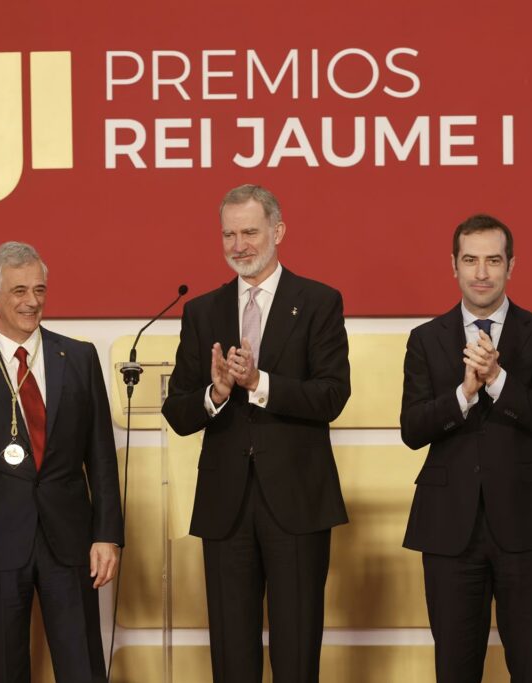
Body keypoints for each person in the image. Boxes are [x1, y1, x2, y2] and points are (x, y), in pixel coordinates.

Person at [161, 184, 350, 682]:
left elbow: (332, 395)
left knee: (296, 653)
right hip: (225, 507)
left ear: (278, 231)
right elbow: (178, 410)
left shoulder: (318, 301)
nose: (239, 245)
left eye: (249, 232)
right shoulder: (201, 311)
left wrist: (258, 383)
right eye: (229, 234)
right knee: (231, 656)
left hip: (298, 502)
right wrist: (217, 392)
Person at [0, 241, 123, 683]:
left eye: (39, 289)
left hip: (69, 541)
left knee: (83, 668)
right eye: (18, 291)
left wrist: (107, 534)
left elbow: (101, 455)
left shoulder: (79, 357)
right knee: (5, 669)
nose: (31, 301)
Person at [399, 214, 532, 682]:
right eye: (470, 260)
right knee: (454, 667)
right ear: (453, 265)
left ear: (511, 266)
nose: (481, 273)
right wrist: (464, 394)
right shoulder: (425, 339)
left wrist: (497, 379)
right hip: (448, 526)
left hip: (528, 521)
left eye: (493, 261)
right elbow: (413, 429)